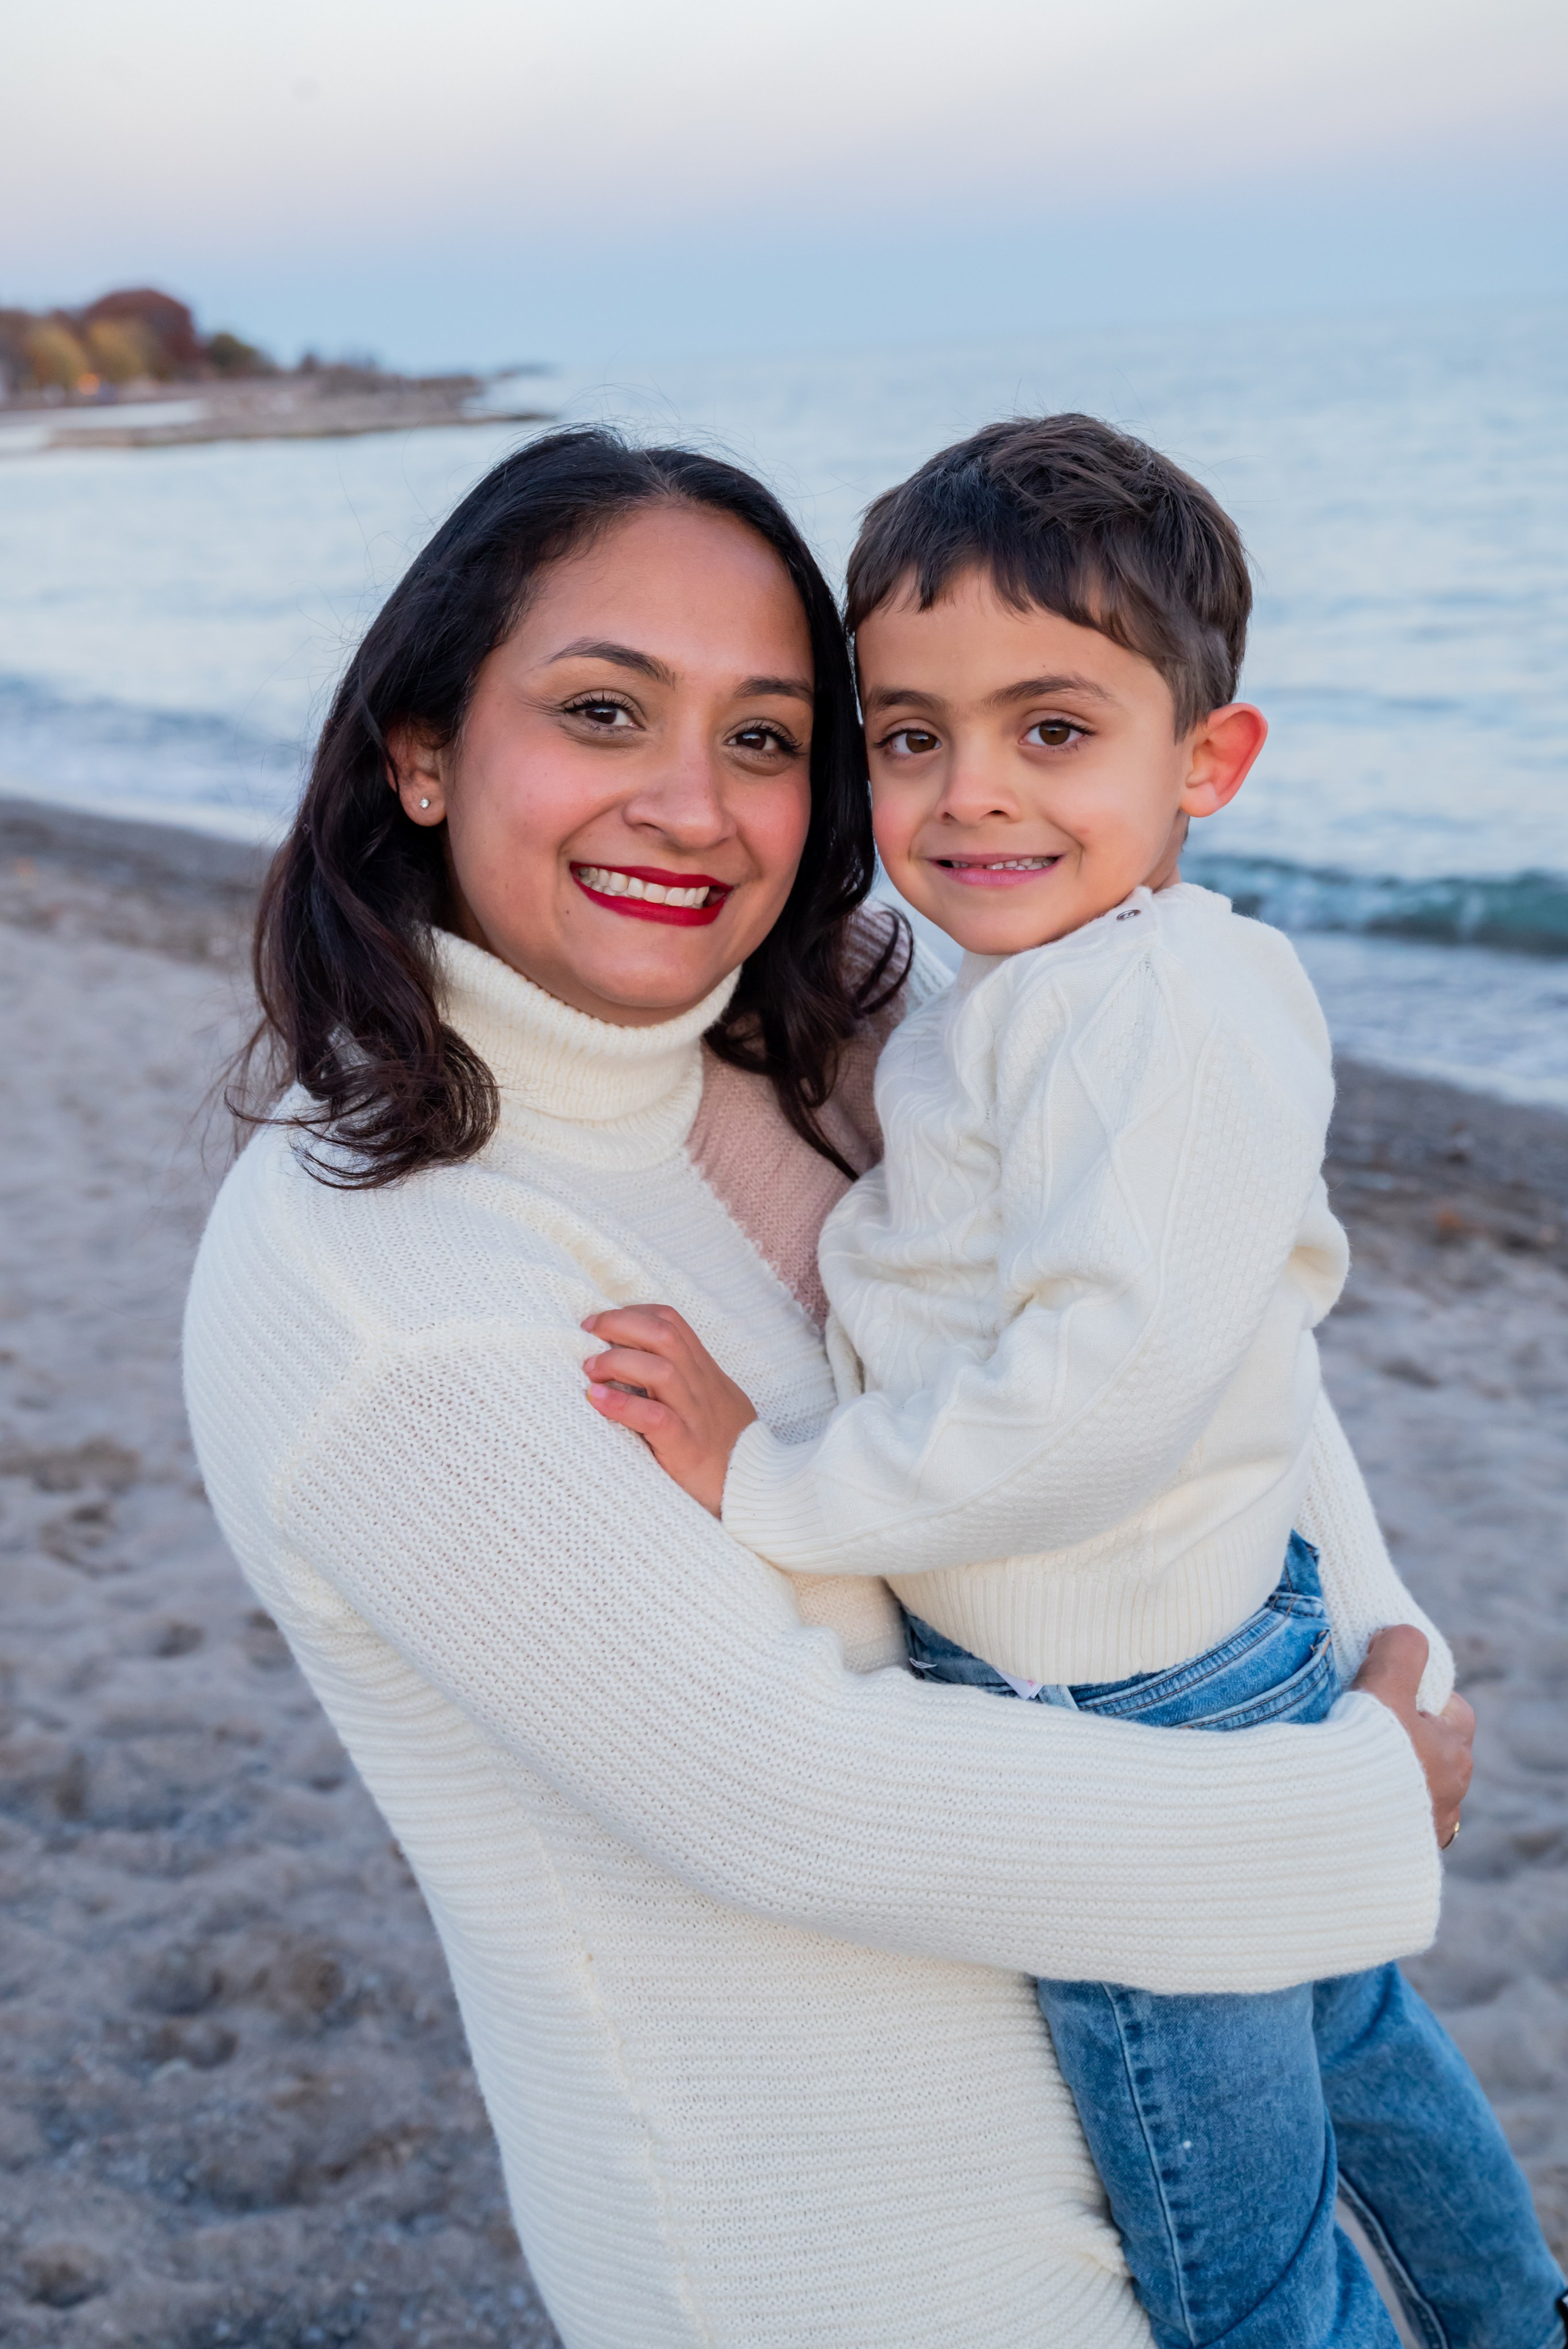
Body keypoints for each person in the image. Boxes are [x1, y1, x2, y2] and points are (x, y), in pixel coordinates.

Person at [187, 426, 1475, 2349]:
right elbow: (786, 1792)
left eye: (769, 736)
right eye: (604, 710)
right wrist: (1356, 1804)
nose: (693, 806)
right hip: (877, 2271)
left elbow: (1186, 1319)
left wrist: (1381, 1643)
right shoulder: (374, 1280)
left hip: (1187, 2088)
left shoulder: (865, 1005)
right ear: (422, 747)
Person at [582, 416, 1566, 2348]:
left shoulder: (1163, 1013)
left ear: (1208, 760)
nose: (972, 792)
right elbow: (1246, 1343)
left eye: (1053, 728)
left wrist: (777, 1478)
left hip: (1127, 1713)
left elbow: (1100, 1395)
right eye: (911, 734)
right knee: (1356, 2035)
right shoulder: (1039, 986)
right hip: (1206, 1648)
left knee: (1234, 2251)